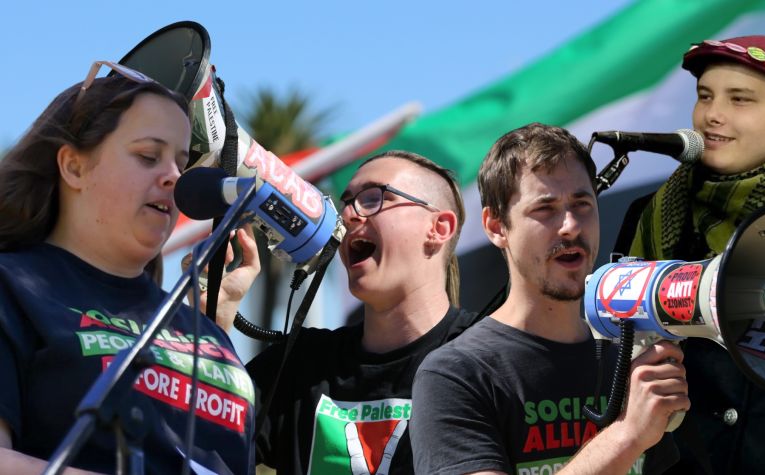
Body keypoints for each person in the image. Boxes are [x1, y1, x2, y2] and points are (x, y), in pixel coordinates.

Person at [0, 61, 260, 474]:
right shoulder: (13, 288)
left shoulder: (209, 334)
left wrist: (214, 318)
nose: (174, 176)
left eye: (180, 161)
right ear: (74, 166)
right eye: (147, 156)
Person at [613, 36, 765, 474]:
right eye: (705, 97)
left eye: (740, 99)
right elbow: (615, 352)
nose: (712, 115)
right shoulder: (648, 215)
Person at [411, 123, 690, 475]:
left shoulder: (628, 361)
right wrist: (626, 436)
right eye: (545, 209)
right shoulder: (457, 374)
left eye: (582, 204)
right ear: (496, 227)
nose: (571, 226)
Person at [246, 150, 478, 474]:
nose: (350, 215)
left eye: (373, 198)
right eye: (346, 202)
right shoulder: (300, 364)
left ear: (438, 228)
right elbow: (189, 442)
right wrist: (217, 317)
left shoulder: (491, 360)